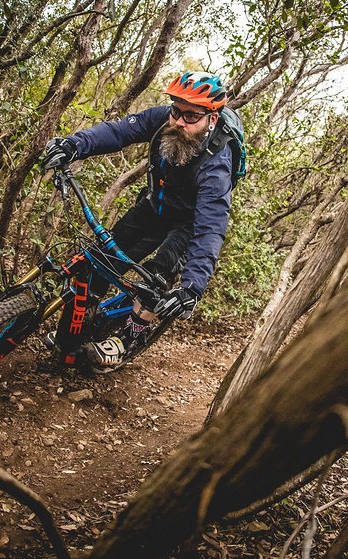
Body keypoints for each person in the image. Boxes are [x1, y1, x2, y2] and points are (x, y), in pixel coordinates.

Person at [39, 71, 234, 371]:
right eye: (176, 111)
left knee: (156, 279)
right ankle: (82, 327)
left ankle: (128, 339)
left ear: (212, 118)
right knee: (102, 262)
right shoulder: (164, 120)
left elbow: (210, 227)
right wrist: (74, 145)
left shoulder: (217, 165)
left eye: (191, 116)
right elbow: (118, 132)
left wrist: (192, 288)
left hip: (188, 225)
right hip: (153, 206)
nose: (180, 122)